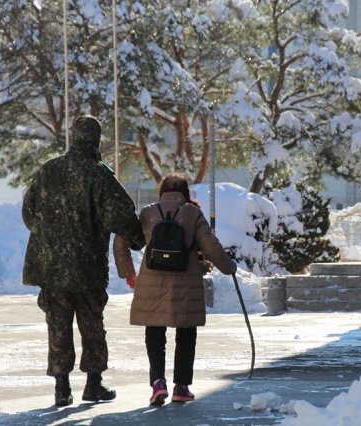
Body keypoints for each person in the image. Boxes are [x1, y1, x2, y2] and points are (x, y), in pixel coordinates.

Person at [22, 115, 145, 407]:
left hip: (51, 267)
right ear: (96, 139)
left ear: (73, 137)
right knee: (91, 324)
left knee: (58, 326)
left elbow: (28, 212)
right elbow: (120, 215)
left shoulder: (48, 170)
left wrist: (49, 236)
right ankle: (93, 384)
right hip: (86, 266)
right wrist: (138, 239)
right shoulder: (98, 173)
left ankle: (61, 388)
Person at [114, 174, 237, 406]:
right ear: (185, 193)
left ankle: (158, 383)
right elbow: (210, 245)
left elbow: (121, 239)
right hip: (186, 282)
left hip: (152, 280)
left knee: (154, 332)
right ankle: (181, 387)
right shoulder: (193, 213)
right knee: (186, 333)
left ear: (162, 192)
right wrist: (228, 267)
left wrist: (128, 272)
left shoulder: (148, 212)